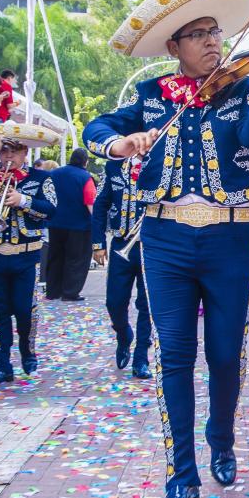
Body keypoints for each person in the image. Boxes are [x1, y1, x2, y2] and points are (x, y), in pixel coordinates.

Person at [83, 0, 249, 498]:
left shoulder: (246, 88)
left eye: (215, 33)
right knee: (174, 355)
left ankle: (220, 440)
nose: (212, 42)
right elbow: (97, 127)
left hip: (230, 239)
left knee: (225, 354)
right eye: (198, 35)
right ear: (174, 45)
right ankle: (181, 473)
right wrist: (120, 143)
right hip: (165, 239)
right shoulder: (152, 95)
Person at [0, 123, 58, 384]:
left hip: (26, 255)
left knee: (25, 309)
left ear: (24, 152)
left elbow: (51, 210)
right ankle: (1, 362)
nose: (8, 157)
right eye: (4, 151)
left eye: (14, 151)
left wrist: (23, 201)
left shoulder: (40, 179)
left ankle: (28, 352)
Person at [91, 156, 153, 379]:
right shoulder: (113, 166)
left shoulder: (161, 160)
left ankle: (141, 358)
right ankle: (123, 335)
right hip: (121, 243)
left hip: (152, 246)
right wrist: (98, 244)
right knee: (114, 301)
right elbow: (100, 204)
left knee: (147, 305)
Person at [44, 148, 96, 301]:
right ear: (85, 161)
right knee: (76, 259)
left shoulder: (54, 173)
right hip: (78, 225)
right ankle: (70, 292)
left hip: (55, 223)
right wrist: (97, 224)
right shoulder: (85, 177)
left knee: (55, 257)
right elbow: (90, 202)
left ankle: (52, 291)